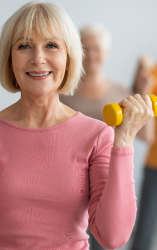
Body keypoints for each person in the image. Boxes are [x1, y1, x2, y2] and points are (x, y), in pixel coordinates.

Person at [0, 2, 153, 250]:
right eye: (24, 46)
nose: (38, 58)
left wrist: (125, 140)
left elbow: (113, 238)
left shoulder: (97, 135)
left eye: (52, 46)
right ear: (10, 59)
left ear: (69, 57)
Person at [59, 24, 156, 250]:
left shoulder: (121, 93)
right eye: (86, 48)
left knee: (104, 242)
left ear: (107, 53)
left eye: (97, 49)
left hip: (106, 180)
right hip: (67, 183)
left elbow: (147, 136)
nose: (91, 54)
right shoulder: (61, 92)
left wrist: (144, 93)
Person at [130, 56, 157, 250]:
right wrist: (143, 81)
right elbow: (136, 97)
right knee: (144, 229)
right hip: (154, 164)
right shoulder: (153, 72)